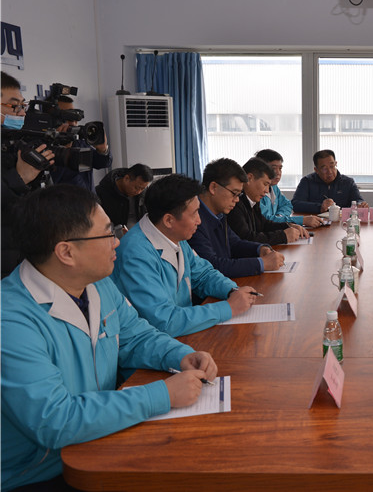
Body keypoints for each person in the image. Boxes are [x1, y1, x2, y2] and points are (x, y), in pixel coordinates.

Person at [1, 184, 219, 490]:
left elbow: (135, 336)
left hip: (97, 440)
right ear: (66, 252)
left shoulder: (97, 284)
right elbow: (54, 420)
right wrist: (161, 395)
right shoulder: (11, 320)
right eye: (106, 234)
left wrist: (180, 354)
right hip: (37, 474)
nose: (117, 241)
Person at [113, 174, 258, 337]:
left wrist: (232, 290)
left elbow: (203, 274)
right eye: (194, 214)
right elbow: (165, 321)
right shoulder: (135, 255)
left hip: (183, 331)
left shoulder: (172, 234)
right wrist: (229, 308)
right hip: (157, 341)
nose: (199, 221)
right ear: (169, 220)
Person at [189, 158, 284, 278]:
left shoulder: (219, 214)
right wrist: (261, 263)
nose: (237, 199)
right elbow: (212, 266)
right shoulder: (193, 220)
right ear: (213, 187)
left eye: (239, 194)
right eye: (234, 193)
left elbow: (234, 244)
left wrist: (260, 249)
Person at [1, 71, 55, 276]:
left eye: (23, 105)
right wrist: (19, 178)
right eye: (14, 106)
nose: (22, 113)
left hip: (25, 260)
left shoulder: (16, 145)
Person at [229, 157, 308, 245]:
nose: (267, 190)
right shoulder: (235, 203)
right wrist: (283, 236)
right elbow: (246, 238)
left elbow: (264, 224)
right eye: (265, 184)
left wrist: (288, 226)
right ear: (249, 178)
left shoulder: (253, 200)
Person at [48, 95, 112, 192]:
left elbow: (102, 163)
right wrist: (64, 151)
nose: (73, 123)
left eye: (75, 117)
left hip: (89, 199)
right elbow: (56, 182)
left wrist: (102, 149)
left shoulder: (79, 143)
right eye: (68, 117)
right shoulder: (43, 148)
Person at [256, 149, 322, 228]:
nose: (278, 172)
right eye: (273, 168)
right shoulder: (256, 192)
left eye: (280, 168)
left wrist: (279, 216)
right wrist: (301, 220)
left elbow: (287, 205)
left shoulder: (274, 187)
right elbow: (266, 220)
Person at [291, 149, 367, 213]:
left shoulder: (348, 182)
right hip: (315, 222)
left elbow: (358, 200)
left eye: (332, 166)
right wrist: (320, 207)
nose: (330, 172)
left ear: (336, 164)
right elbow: (295, 204)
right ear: (316, 170)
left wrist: (360, 205)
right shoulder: (307, 181)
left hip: (341, 223)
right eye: (324, 169)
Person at [95, 163, 153, 229]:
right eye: (136, 188)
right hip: (115, 231)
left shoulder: (143, 191)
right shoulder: (102, 192)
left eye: (142, 189)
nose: (139, 192)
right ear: (126, 178)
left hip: (141, 228)